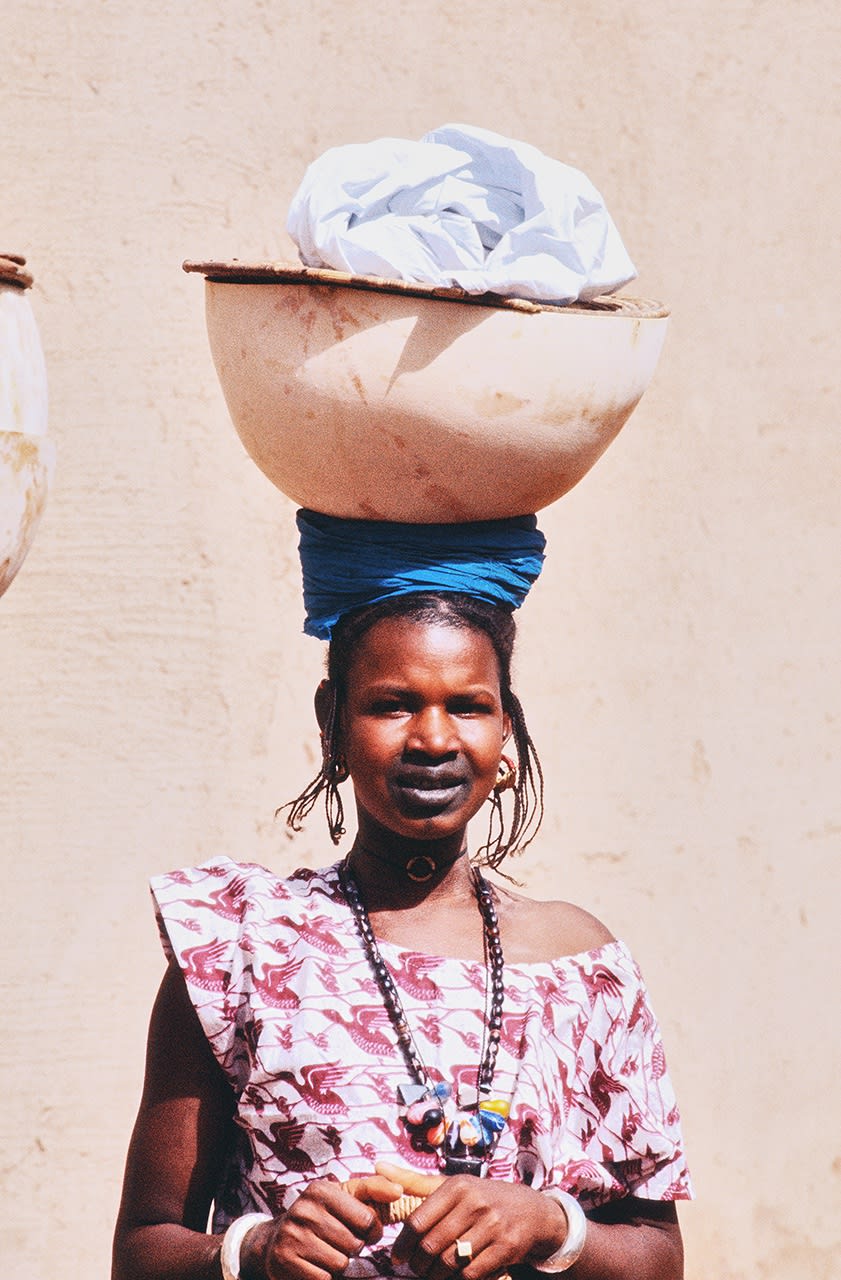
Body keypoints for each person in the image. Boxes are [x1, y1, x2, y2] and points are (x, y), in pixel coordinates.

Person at [113, 513, 692, 1280]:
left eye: (467, 706)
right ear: (333, 724)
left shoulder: (583, 966)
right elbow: (143, 1248)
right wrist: (255, 1250)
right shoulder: (236, 948)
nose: (432, 738)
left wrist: (550, 1225)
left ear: (504, 730)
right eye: (391, 704)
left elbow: (657, 1254)